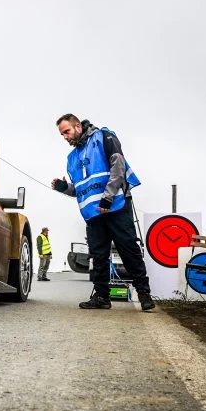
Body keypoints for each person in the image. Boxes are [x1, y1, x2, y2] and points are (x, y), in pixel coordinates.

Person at [51, 114, 155, 311]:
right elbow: (81, 189)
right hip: (93, 213)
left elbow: (118, 166)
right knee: (98, 255)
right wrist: (64, 187)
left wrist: (108, 197)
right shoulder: (72, 158)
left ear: (78, 127)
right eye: (61, 134)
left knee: (128, 249)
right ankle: (101, 297)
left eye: (67, 131)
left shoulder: (103, 137)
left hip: (115, 205)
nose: (64, 136)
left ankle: (144, 294)